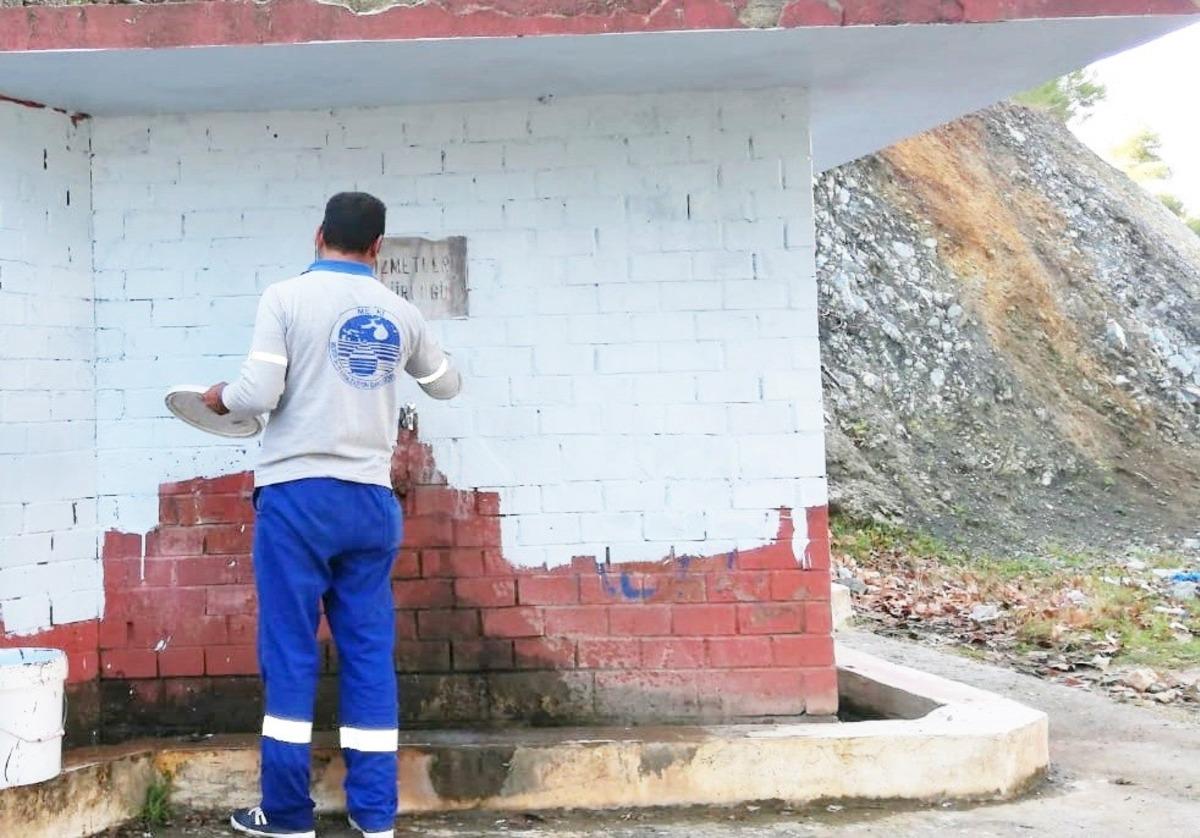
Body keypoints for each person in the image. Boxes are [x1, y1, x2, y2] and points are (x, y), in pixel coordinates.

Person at [203, 192, 462, 838]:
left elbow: (256, 395)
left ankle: (288, 814)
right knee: (370, 654)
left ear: (318, 234)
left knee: (291, 652)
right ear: (378, 248)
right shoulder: (401, 312)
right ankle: (376, 818)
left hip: (297, 497)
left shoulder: (284, 299)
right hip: (371, 503)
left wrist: (217, 399)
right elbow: (446, 384)